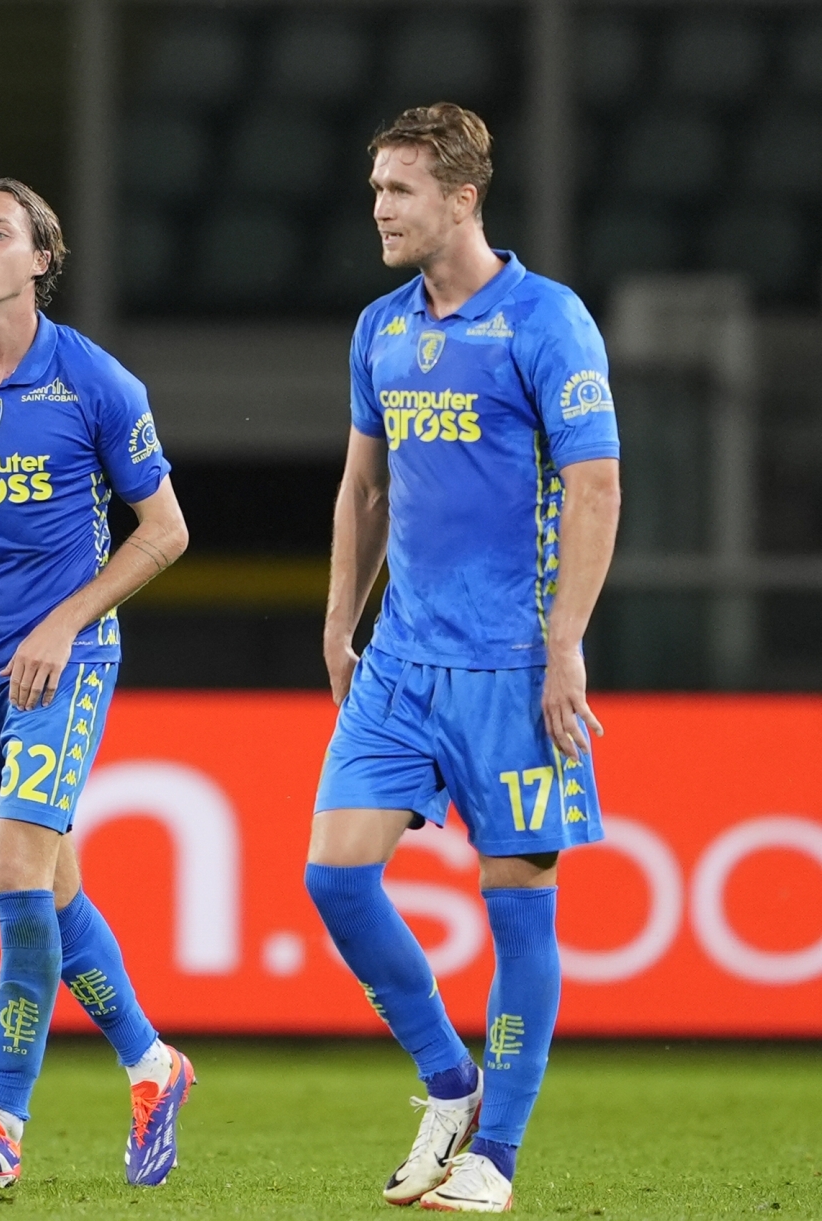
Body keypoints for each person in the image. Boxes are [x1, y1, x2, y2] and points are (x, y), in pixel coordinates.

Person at [305, 104, 621, 1213]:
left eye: (399, 190)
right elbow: (364, 487)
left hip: (510, 664)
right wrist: (341, 623)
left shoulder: (547, 321)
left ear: (462, 197)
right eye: (376, 189)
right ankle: (452, 1083)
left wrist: (565, 646)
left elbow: (595, 487)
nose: (380, 209)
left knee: (520, 904)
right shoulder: (381, 329)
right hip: (399, 660)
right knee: (334, 879)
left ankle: (498, 1160)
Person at [0, 179, 195, 1189]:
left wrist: (67, 618)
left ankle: (0, 1120)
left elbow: (167, 530)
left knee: (16, 875)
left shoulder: (97, 385)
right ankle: (153, 1065)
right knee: (51, 894)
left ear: (38, 260)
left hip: (68, 660)